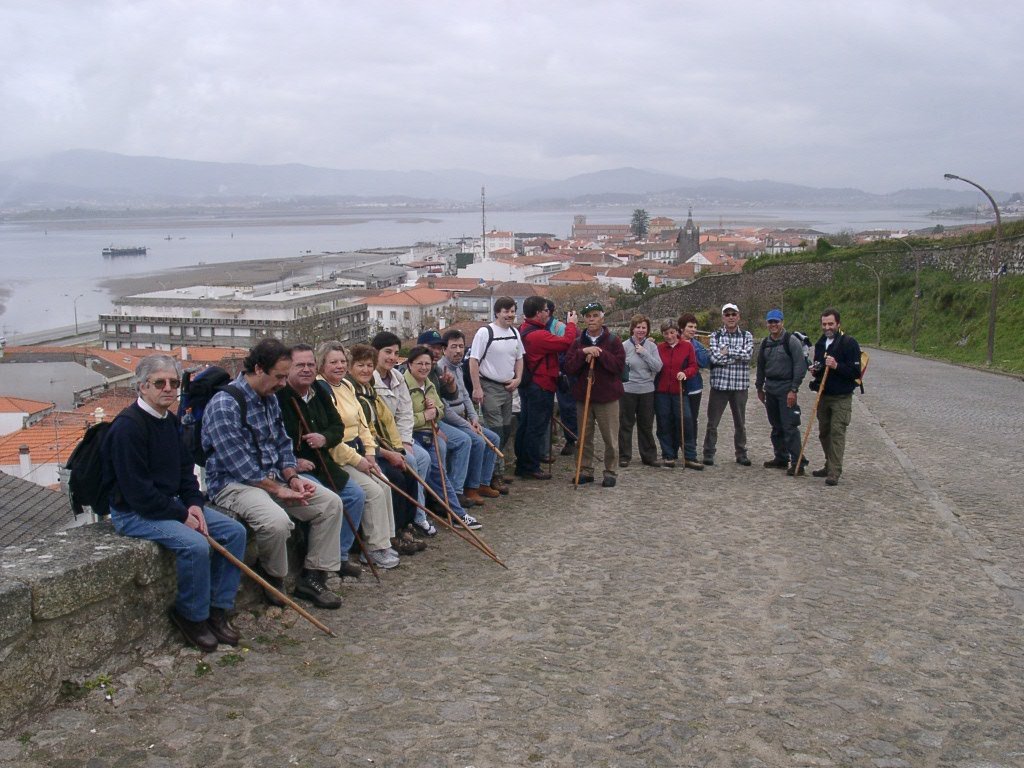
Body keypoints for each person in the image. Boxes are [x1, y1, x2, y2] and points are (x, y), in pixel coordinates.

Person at [102, 354, 247, 652]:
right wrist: (182, 515)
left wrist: (194, 504)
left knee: (234, 532)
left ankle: (218, 609)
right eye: (159, 383)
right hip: (134, 512)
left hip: (169, 505)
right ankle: (192, 616)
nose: (168, 388)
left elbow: (185, 473)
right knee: (195, 545)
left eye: (173, 383)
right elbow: (138, 493)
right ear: (142, 387)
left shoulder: (171, 421)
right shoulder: (128, 428)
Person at [203, 338, 343, 610]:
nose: (282, 383)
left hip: (273, 478)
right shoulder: (225, 405)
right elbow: (240, 465)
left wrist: (292, 477)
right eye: (278, 376)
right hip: (234, 484)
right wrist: (279, 490)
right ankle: (274, 576)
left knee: (330, 503)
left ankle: (313, 576)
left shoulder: (269, 398)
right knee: (277, 522)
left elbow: (282, 444)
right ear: (258, 369)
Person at [309, 342, 409, 564]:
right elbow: (332, 438)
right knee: (372, 491)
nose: (339, 366)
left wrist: (371, 454)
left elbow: (363, 425)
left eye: (342, 361)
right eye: (333, 362)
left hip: (359, 451)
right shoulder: (320, 390)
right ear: (321, 364)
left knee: (383, 483)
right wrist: (359, 460)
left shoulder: (346, 385)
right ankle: (372, 549)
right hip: (338, 455)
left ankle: (384, 541)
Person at [346, 343, 426, 538]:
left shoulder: (369, 391)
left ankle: (407, 525)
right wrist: (387, 453)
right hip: (363, 452)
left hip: (380, 448)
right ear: (350, 368)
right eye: (360, 365)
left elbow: (385, 423)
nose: (366, 370)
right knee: (396, 478)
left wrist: (398, 449)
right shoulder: (352, 393)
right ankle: (394, 532)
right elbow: (362, 434)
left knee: (408, 471)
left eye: (369, 365)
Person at [404, 345, 481, 529]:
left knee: (440, 474)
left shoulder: (429, 384)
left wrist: (433, 412)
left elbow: (440, 410)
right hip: (412, 436)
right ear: (409, 365)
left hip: (429, 434)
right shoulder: (404, 385)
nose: (424, 367)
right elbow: (400, 419)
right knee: (429, 472)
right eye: (419, 364)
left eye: (427, 364)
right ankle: (421, 517)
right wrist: (425, 416)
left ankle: (457, 514)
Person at [371, 331, 436, 536]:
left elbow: (405, 413)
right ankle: (410, 519)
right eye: (387, 352)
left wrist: (406, 442)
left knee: (423, 458)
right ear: (375, 352)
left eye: (396, 352)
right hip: (379, 441)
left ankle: (419, 514)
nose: (391, 357)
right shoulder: (369, 378)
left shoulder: (397, 377)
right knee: (413, 462)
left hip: (399, 438)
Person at [436, 329, 503, 503]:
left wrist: (473, 418)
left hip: (464, 420)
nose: (458, 351)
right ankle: (465, 488)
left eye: (461, 346)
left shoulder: (458, 368)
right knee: (476, 440)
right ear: (445, 349)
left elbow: (465, 395)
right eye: (453, 347)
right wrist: (467, 425)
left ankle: (482, 482)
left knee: (493, 438)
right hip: (448, 421)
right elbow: (444, 408)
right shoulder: (440, 370)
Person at [515, 296, 578, 479]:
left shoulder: (524, 330)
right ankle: (530, 467)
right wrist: (571, 324)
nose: (548, 313)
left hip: (530, 385)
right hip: (540, 386)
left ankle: (523, 463)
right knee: (536, 427)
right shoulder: (538, 335)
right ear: (537, 313)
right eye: (545, 310)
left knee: (526, 425)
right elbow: (567, 342)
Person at [564, 302, 626, 487]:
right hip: (584, 396)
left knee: (610, 438)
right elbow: (568, 367)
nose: (591, 319)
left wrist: (600, 354)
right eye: (588, 316)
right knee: (584, 436)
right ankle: (585, 469)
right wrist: (583, 353)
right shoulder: (578, 342)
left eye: (595, 315)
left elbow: (618, 366)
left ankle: (610, 471)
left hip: (607, 397)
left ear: (602, 317)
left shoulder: (613, 340)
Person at [468, 296, 524, 490]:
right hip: (489, 386)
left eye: (512, 311)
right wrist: (477, 387)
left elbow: (519, 358)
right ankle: (495, 475)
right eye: (506, 311)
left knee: (506, 429)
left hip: (508, 387)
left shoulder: (515, 333)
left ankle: (496, 468)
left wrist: (518, 378)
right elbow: (473, 360)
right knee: (496, 430)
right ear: (497, 312)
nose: (510, 315)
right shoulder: (485, 333)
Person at [418, 329, 474, 508]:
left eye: (438, 348)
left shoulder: (435, 370)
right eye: (431, 347)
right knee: (442, 445)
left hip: (436, 421)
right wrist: (436, 427)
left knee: (465, 440)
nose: (435, 351)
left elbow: (448, 398)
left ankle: (456, 492)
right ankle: (438, 497)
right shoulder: (413, 371)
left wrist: (449, 385)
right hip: (421, 426)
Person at [808, 307, 862, 486]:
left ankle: (834, 471)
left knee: (837, 433)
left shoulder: (849, 343)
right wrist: (815, 370)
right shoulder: (820, 343)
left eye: (830, 324)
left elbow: (855, 372)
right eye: (824, 324)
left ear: (838, 324)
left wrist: (837, 365)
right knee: (824, 433)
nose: (827, 327)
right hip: (824, 395)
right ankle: (828, 463)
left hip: (841, 397)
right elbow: (819, 371)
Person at [756, 309, 809, 475]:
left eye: (776, 322)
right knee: (776, 426)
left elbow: (800, 366)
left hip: (786, 389)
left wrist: (794, 389)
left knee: (790, 427)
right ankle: (781, 457)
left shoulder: (791, 341)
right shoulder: (765, 343)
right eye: (770, 322)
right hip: (770, 388)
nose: (773, 325)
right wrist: (759, 387)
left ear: (782, 323)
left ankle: (798, 462)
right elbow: (760, 367)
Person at [702, 302, 754, 466]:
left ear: (738, 316)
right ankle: (708, 452)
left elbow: (748, 355)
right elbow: (715, 358)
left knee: (740, 423)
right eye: (727, 314)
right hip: (720, 386)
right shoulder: (715, 336)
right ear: (723, 317)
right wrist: (736, 356)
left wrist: (728, 352)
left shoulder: (747, 336)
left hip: (739, 386)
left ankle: (741, 453)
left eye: (733, 314)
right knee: (712, 423)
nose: (731, 317)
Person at [619, 314, 663, 468]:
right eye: (638, 327)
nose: (641, 330)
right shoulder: (624, 346)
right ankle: (624, 455)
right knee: (626, 424)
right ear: (632, 329)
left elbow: (658, 367)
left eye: (644, 327)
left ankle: (649, 456)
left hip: (647, 390)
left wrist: (645, 353)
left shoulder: (651, 347)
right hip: (628, 389)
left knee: (646, 424)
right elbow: (619, 368)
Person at [654, 319, 697, 469]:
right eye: (666, 333)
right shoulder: (659, 348)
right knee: (664, 422)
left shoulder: (687, 347)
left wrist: (685, 373)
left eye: (672, 332)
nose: (669, 336)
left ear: (677, 332)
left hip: (680, 390)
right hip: (662, 392)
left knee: (685, 421)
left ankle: (690, 455)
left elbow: (693, 366)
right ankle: (668, 454)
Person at [546, 299, 578, 458]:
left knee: (567, 407)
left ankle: (571, 439)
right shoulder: (537, 327)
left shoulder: (559, 327)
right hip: (545, 373)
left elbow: (568, 348)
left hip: (562, 374)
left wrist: (560, 368)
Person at [678, 313, 709, 471]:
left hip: (694, 386)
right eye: (690, 326)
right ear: (682, 328)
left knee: (692, 419)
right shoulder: (674, 342)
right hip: (677, 387)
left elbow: (704, 362)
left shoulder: (697, 346)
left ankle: (691, 450)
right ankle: (676, 448)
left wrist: (692, 349)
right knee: (680, 418)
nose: (693, 329)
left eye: (695, 327)